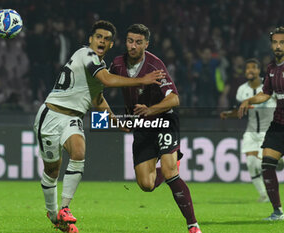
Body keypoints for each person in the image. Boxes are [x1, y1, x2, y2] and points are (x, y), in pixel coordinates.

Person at [33, 20, 164, 233]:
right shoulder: (86, 54)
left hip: (74, 118)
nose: (102, 41)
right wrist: (143, 80)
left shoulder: (100, 66)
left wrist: (115, 121)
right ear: (91, 40)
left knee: (78, 151)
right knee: (51, 170)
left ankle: (65, 208)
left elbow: (98, 98)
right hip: (51, 115)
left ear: (111, 45)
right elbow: (108, 80)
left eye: (107, 39)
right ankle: (52, 213)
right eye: (99, 37)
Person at [110, 24, 202, 233]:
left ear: (146, 44)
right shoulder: (116, 64)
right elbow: (105, 84)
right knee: (146, 184)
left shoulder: (154, 66)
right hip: (142, 124)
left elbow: (174, 99)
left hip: (164, 120)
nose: (133, 46)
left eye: (138, 42)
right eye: (130, 41)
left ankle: (193, 226)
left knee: (170, 173)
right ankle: (173, 162)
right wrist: (114, 118)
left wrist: (151, 110)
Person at [239, 26, 284, 221]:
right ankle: (277, 212)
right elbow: (266, 93)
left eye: (282, 42)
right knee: (267, 164)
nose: (278, 46)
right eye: (275, 42)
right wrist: (249, 100)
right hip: (279, 124)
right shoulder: (271, 67)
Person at [220, 58, 275, 202]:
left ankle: (276, 161)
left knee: (258, 163)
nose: (250, 70)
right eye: (247, 68)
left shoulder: (269, 86)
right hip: (251, 131)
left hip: (267, 131)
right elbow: (241, 110)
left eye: (253, 67)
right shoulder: (242, 90)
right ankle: (264, 195)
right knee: (251, 163)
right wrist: (229, 114)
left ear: (258, 70)